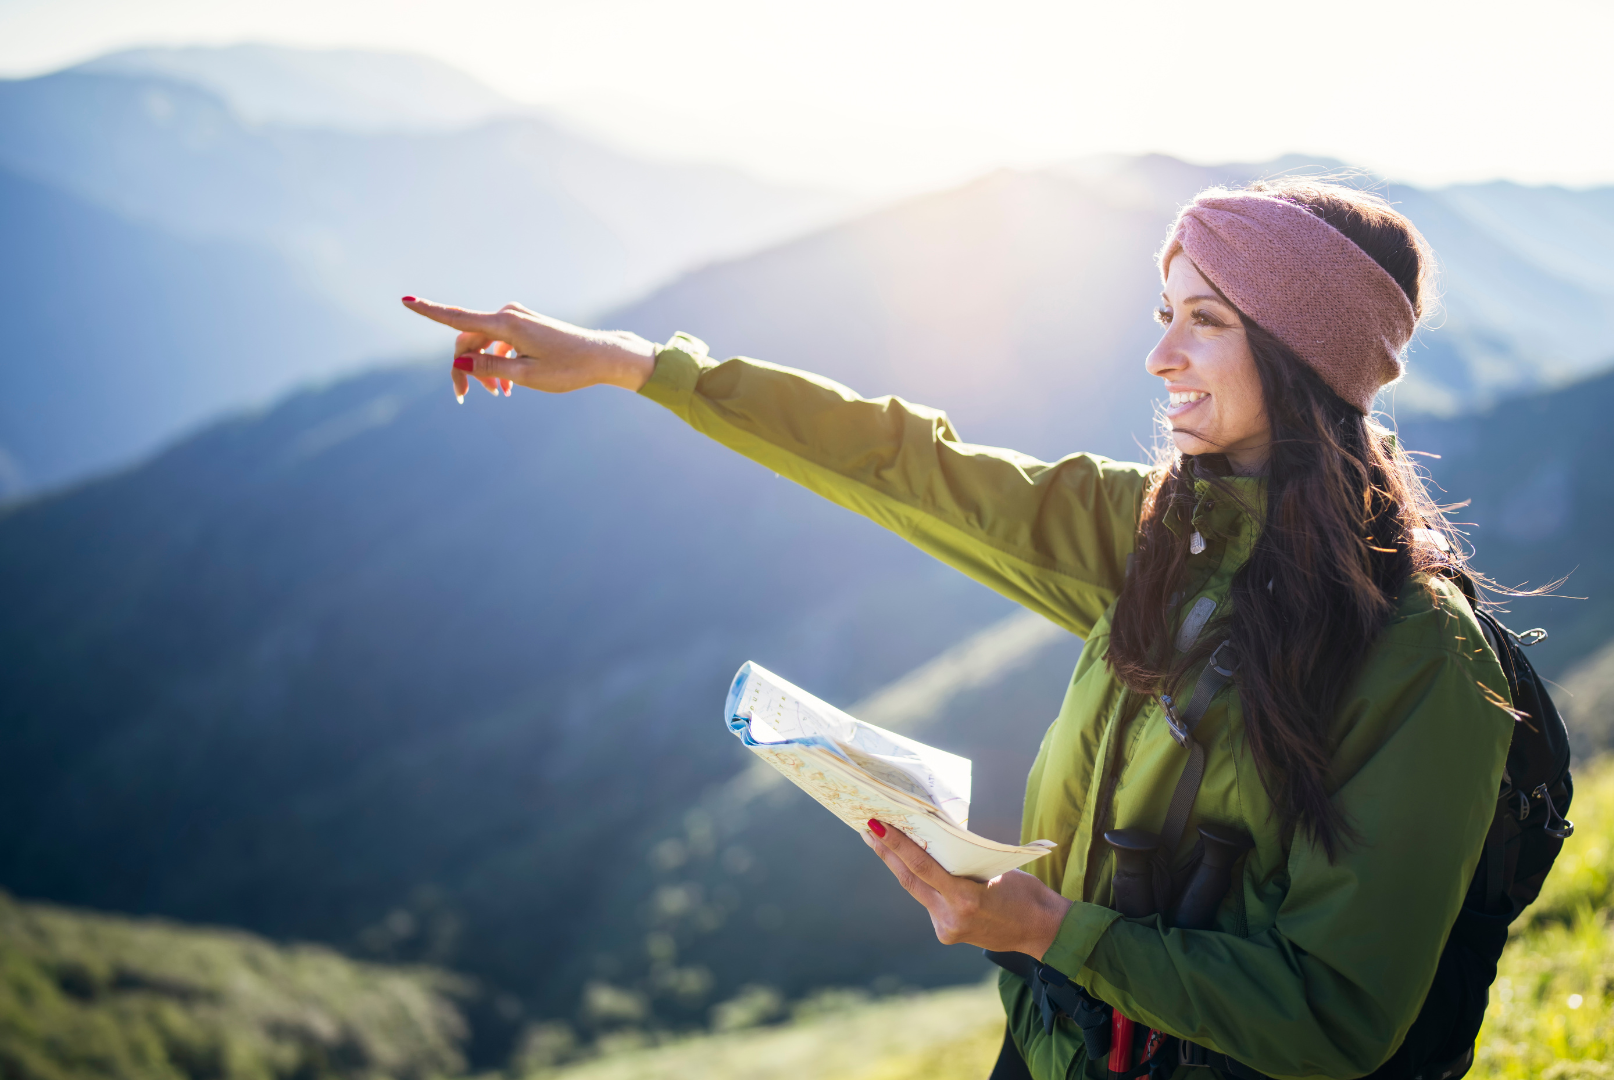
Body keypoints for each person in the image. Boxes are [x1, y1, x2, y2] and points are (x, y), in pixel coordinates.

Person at [403, 180, 1514, 1080]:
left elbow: (1337, 1019)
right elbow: (905, 463)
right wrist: (638, 366)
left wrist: (1050, 933)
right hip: (1053, 1053)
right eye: (1164, 314)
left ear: (1306, 359)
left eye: (1206, 322)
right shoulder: (1152, 539)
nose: (1159, 356)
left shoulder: (1421, 653)